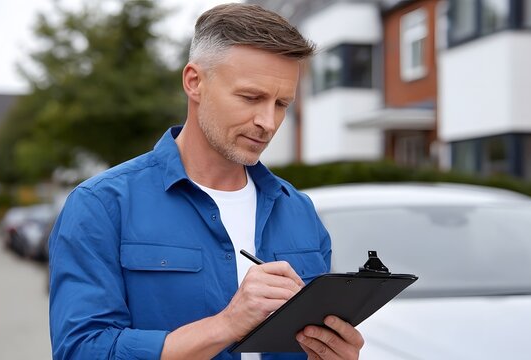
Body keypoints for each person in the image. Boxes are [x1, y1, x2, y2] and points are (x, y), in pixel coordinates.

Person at [48, 3, 364, 360]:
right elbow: (81, 351)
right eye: (251, 97)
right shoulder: (102, 206)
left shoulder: (299, 210)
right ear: (194, 82)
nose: (268, 122)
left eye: (281, 104)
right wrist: (226, 324)